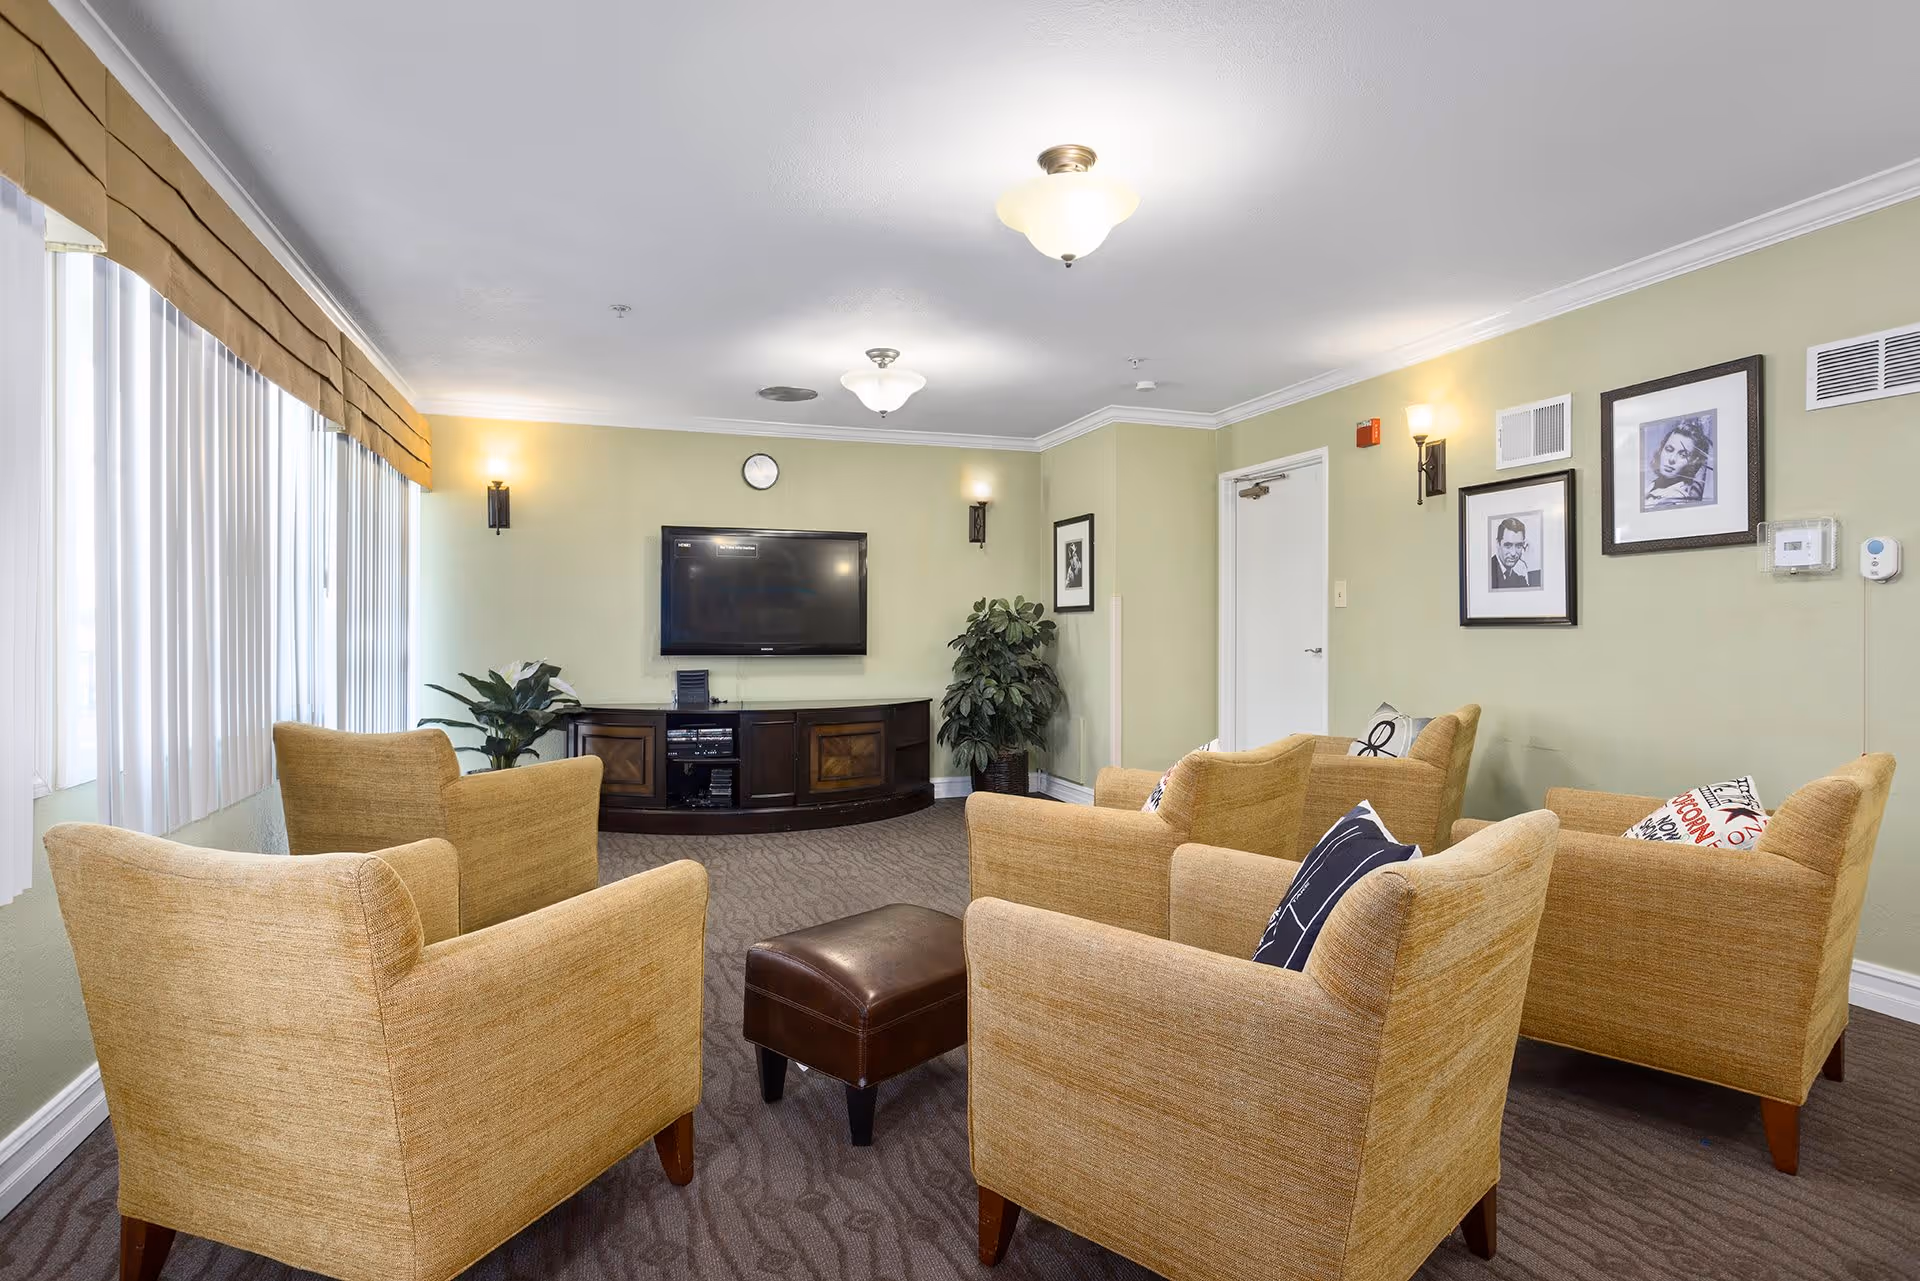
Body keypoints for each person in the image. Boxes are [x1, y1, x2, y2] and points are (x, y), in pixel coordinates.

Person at [1644, 416, 1714, 508]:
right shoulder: (1651, 487)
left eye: (1683, 455)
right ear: (1661, 450)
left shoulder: (1674, 501)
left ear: (1693, 462)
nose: (1672, 459)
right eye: (1669, 449)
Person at [1489, 517, 1540, 589]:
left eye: (1518, 546)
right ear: (1498, 544)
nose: (1513, 553)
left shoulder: (1520, 580)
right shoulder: (1486, 571)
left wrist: (1530, 564)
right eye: (1508, 546)